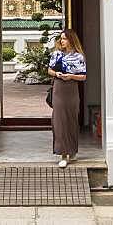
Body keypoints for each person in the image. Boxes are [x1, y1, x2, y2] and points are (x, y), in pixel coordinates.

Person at [47, 28, 86, 168]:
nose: (61, 41)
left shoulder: (79, 57)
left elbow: (83, 76)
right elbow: (49, 70)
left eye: (64, 38)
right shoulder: (56, 54)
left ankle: (72, 150)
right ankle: (63, 154)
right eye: (61, 38)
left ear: (71, 40)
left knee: (72, 119)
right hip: (59, 89)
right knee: (59, 121)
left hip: (72, 89)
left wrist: (71, 76)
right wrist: (57, 74)